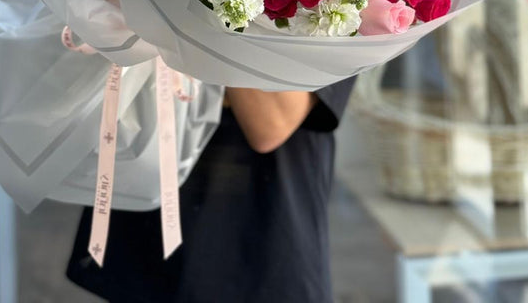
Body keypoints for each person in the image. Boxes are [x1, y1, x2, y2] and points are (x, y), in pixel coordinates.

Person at [66, 79, 356, 302]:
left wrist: (201, 11)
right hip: (144, 212)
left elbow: (270, 122)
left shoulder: (364, 2)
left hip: (258, 235)